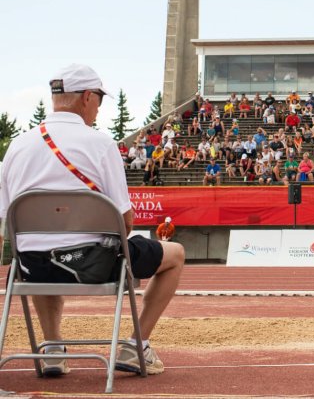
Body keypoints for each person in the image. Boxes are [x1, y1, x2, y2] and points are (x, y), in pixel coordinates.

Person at [0, 64, 183, 376]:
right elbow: (125, 222)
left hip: (31, 267)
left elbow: (5, 224)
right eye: (100, 99)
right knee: (175, 254)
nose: (99, 107)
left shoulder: (17, 147)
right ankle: (134, 346)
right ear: (87, 97)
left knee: (40, 251)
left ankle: (53, 350)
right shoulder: (101, 144)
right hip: (90, 266)